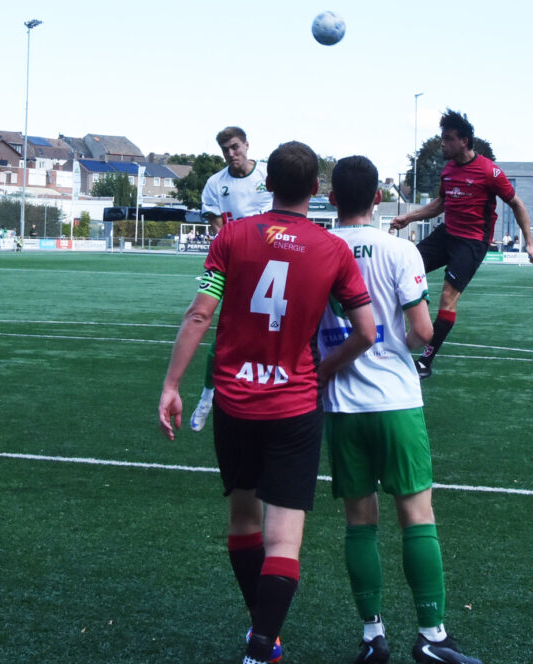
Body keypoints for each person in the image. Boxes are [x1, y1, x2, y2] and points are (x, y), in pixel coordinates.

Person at [157, 141, 376, 664]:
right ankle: (261, 643)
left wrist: (171, 385)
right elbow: (367, 332)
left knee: (243, 523)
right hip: (294, 406)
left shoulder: (232, 236)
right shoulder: (333, 250)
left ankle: (264, 633)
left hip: (235, 403)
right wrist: (322, 369)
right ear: (316, 189)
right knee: (283, 541)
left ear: (268, 185)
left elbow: (199, 315)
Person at [321, 156, 482, 664]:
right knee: (416, 516)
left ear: (332, 199)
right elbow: (423, 332)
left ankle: (373, 635)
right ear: (377, 199)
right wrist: (400, 346)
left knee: (359, 522)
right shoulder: (400, 250)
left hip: (341, 403)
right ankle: (431, 636)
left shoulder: (319, 249)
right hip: (396, 400)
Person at [390, 109, 533, 378]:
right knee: (405, 267)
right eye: (442, 138)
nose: (443, 144)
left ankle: (425, 362)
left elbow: (517, 204)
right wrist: (409, 217)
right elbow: (441, 204)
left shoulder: (489, 171)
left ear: (464, 141)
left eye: (448, 139)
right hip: (447, 234)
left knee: (448, 297)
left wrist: (529, 242)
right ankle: (393, 336)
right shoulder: (448, 170)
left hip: (472, 242)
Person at [190, 127, 275, 432]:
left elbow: (279, 218)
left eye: (235, 147)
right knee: (226, 330)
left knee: (271, 329)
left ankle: (268, 396)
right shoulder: (215, 183)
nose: (231, 153)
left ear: (247, 145)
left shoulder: (268, 177)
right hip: (234, 261)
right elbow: (217, 226)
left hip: (270, 263)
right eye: (225, 149)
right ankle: (207, 396)